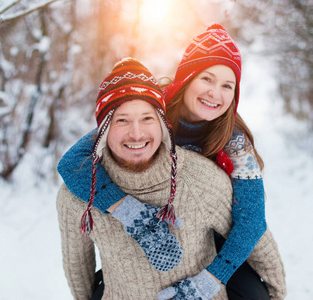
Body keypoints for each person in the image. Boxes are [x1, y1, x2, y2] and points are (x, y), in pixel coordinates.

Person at [58, 25, 286, 299]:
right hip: (151, 220)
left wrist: (210, 280)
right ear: (188, 77)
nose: (215, 93)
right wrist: (127, 209)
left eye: (228, 86)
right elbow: (73, 161)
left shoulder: (235, 142)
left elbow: (252, 222)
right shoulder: (149, 108)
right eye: (207, 79)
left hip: (221, 238)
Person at [57, 57, 235, 299]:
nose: (137, 133)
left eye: (147, 118)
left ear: (161, 124)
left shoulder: (208, 172)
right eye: (122, 120)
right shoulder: (76, 193)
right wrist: (126, 209)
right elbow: (77, 267)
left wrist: (212, 280)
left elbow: (253, 232)